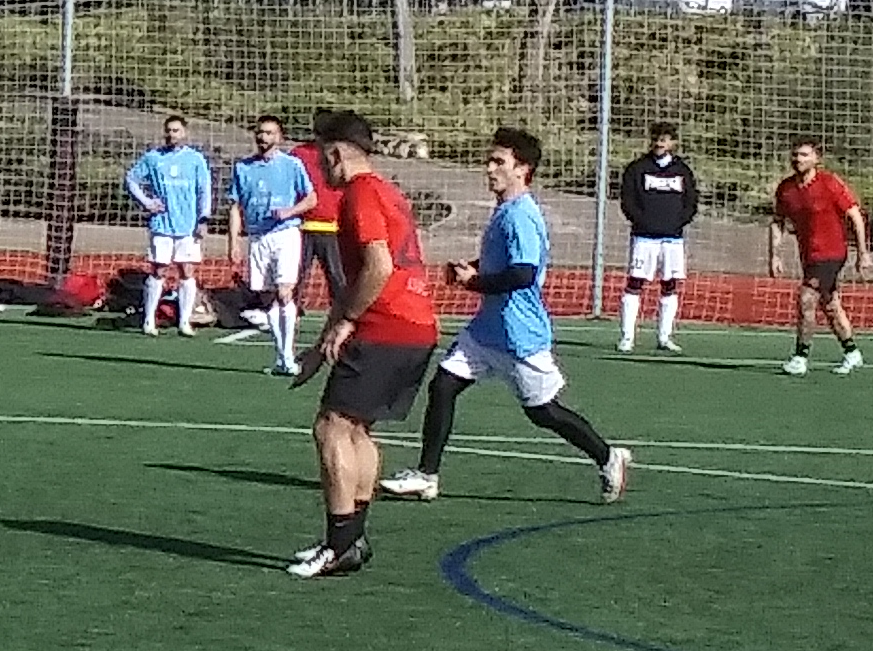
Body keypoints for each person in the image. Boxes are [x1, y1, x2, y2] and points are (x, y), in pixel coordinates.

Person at [379, 128, 635, 503]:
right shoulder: (505, 210)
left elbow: (523, 274)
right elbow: (505, 263)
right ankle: (426, 475)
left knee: (543, 412)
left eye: (499, 162)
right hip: (487, 331)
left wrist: (475, 281)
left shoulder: (521, 216)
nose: (489, 168)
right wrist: (473, 267)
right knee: (443, 386)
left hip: (519, 335)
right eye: (490, 160)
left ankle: (608, 457)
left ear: (522, 169)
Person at [287, 111, 440, 579]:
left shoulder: (360, 194)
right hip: (417, 326)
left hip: (384, 325)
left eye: (321, 159)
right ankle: (352, 539)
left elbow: (378, 266)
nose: (320, 170)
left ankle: (339, 545)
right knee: (357, 430)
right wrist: (324, 341)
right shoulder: (388, 190)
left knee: (331, 427)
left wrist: (348, 321)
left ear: (335, 154)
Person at [224, 114, 316, 374]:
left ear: (279, 137)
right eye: (260, 132)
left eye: (269, 133)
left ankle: (288, 357)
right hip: (257, 237)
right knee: (267, 297)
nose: (263, 137)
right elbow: (235, 207)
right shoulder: (243, 168)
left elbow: (311, 199)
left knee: (285, 291)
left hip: (285, 234)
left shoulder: (292, 165)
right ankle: (281, 358)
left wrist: (289, 211)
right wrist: (234, 242)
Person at [768, 139, 868, 376]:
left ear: (816, 159)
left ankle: (800, 357)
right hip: (809, 256)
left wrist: (862, 253)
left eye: (804, 155)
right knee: (830, 304)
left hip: (832, 253)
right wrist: (774, 256)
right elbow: (777, 222)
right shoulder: (786, 189)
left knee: (806, 297)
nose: (798, 159)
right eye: (795, 155)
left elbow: (855, 216)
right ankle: (852, 352)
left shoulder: (829, 183)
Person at [124, 115, 215, 337]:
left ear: (184, 132)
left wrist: (203, 218)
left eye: (176, 130)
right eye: (169, 130)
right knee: (159, 270)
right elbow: (131, 179)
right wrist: (147, 202)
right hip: (162, 224)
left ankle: (185, 321)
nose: (172, 134)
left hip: (188, 225)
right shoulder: (153, 157)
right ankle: (149, 320)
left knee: (187, 270)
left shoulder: (195, 159)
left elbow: (204, 189)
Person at [616, 121, 699, 353]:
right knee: (635, 283)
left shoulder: (682, 170)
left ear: (673, 142)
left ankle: (664, 337)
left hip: (672, 238)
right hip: (644, 237)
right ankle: (627, 337)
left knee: (669, 285)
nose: (659, 143)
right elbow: (627, 200)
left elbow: (691, 202)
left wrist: (677, 222)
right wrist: (642, 221)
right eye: (656, 138)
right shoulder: (637, 168)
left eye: (665, 139)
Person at [292, 109, 351, 323]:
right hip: (303, 225)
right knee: (296, 274)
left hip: (331, 226)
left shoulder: (341, 155)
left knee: (337, 276)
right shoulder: (299, 154)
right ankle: (291, 310)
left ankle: (341, 313)